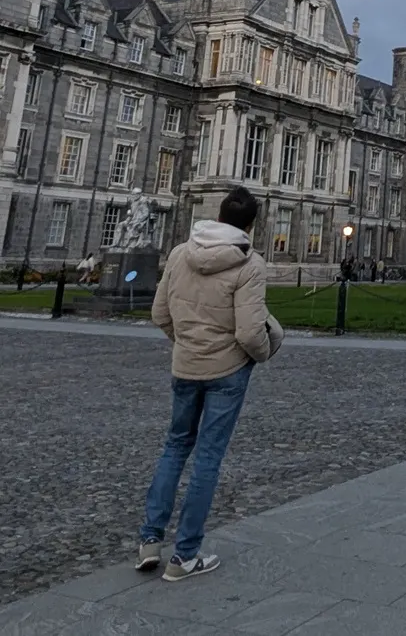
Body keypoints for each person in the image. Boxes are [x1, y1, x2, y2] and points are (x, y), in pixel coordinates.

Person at [136, 187, 284, 581]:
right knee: (207, 458)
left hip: (185, 366)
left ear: (218, 216)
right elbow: (250, 332)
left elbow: (159, 314)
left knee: (174, 447)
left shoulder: (180, 253)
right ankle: (185, 555)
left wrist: (187, 343)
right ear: (251, 225)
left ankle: (150, 539)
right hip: (227, 372)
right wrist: (262, 355)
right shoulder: (250, 263)